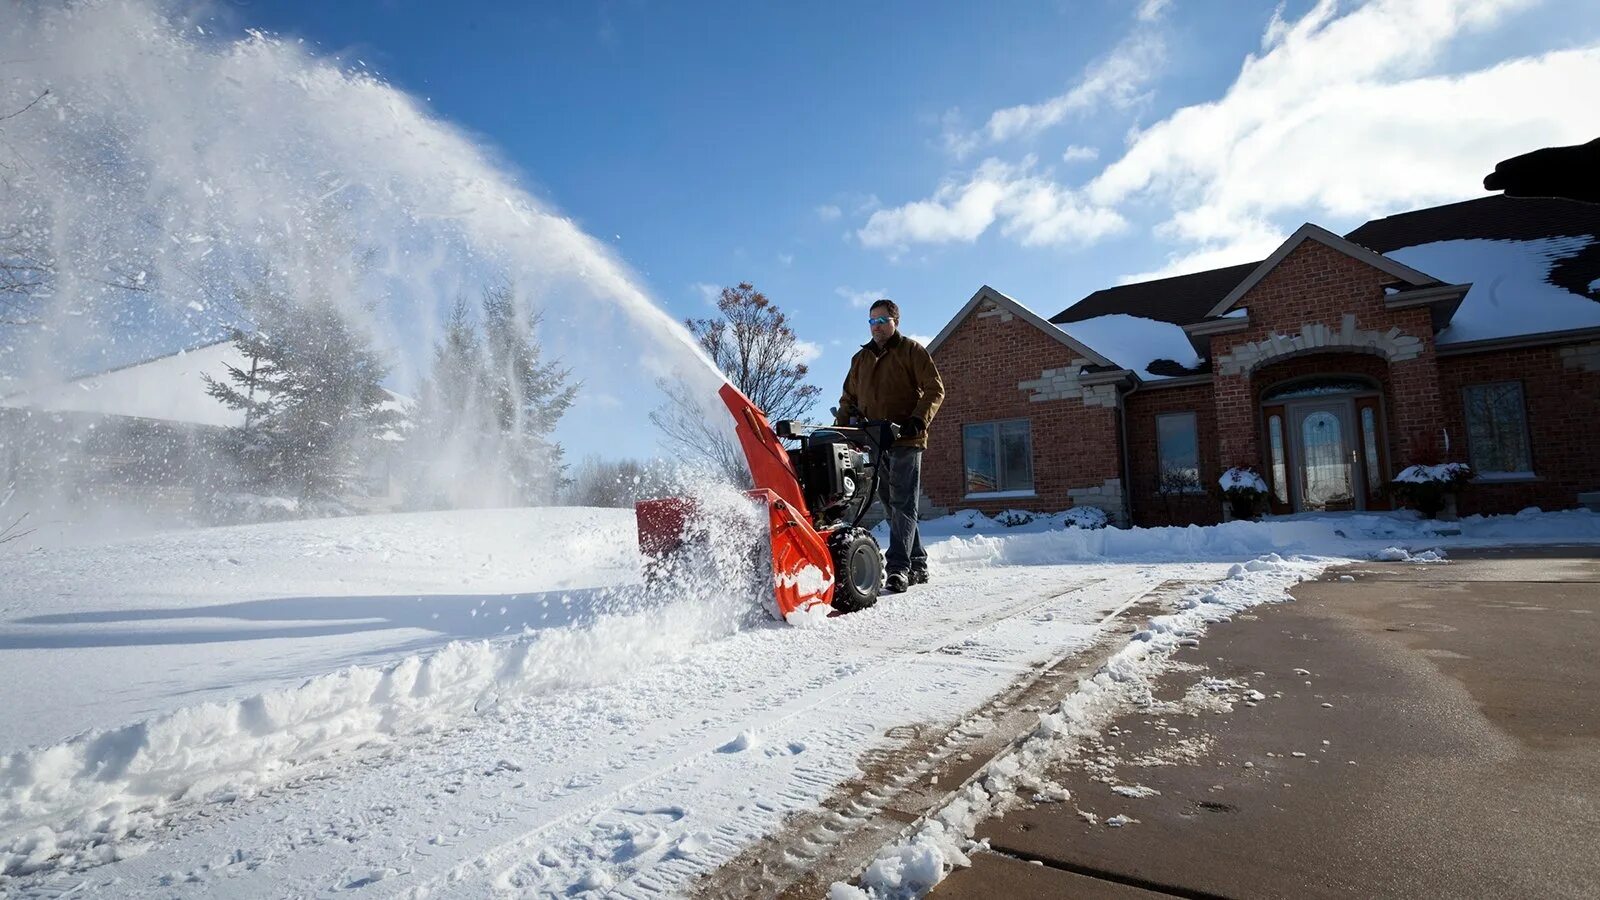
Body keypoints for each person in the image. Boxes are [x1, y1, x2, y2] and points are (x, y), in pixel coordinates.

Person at [835, 299, 944, 594]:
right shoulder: (861, 360)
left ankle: (898, 568)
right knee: (890, 503)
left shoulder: (911, 351)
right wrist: (839, 433)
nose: (877, 327)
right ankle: (918, 562)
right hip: (875, 439)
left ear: (895, 321)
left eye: (882, 320)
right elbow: (848, 400)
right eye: (872, 321)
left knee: (903, 502)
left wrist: (918, 420)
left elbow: (935, 389)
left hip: (906, 438)